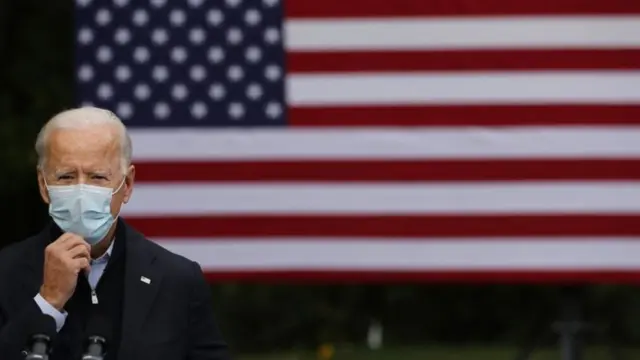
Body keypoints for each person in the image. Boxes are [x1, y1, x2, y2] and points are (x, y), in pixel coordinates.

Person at [0, 107, 231, 360]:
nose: (81, 191)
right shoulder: (6, 272)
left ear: (127, 185)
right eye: (66, 176)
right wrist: (47, 302)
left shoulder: (177, 280)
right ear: (44, 185)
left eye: (97, 176)